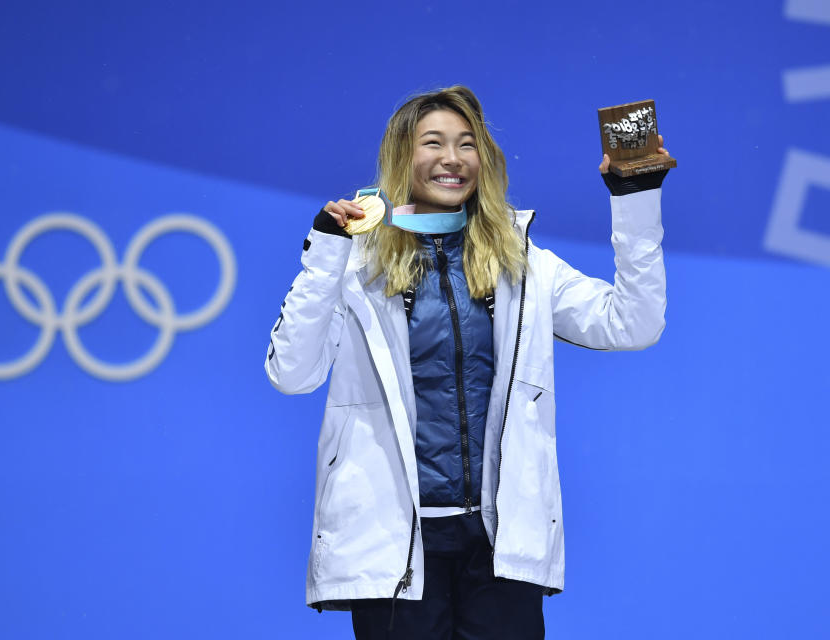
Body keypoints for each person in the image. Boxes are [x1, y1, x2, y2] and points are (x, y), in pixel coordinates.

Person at [264, 86, 669, 639]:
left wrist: (635, 195)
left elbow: (633, 322)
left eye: (467, 144)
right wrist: (327, 250)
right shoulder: (354, 266)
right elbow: (292, 373)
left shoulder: (521, 261)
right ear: (403, 155)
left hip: (499, 541)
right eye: (433, 143)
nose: (452, 159)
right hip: (396, 545)